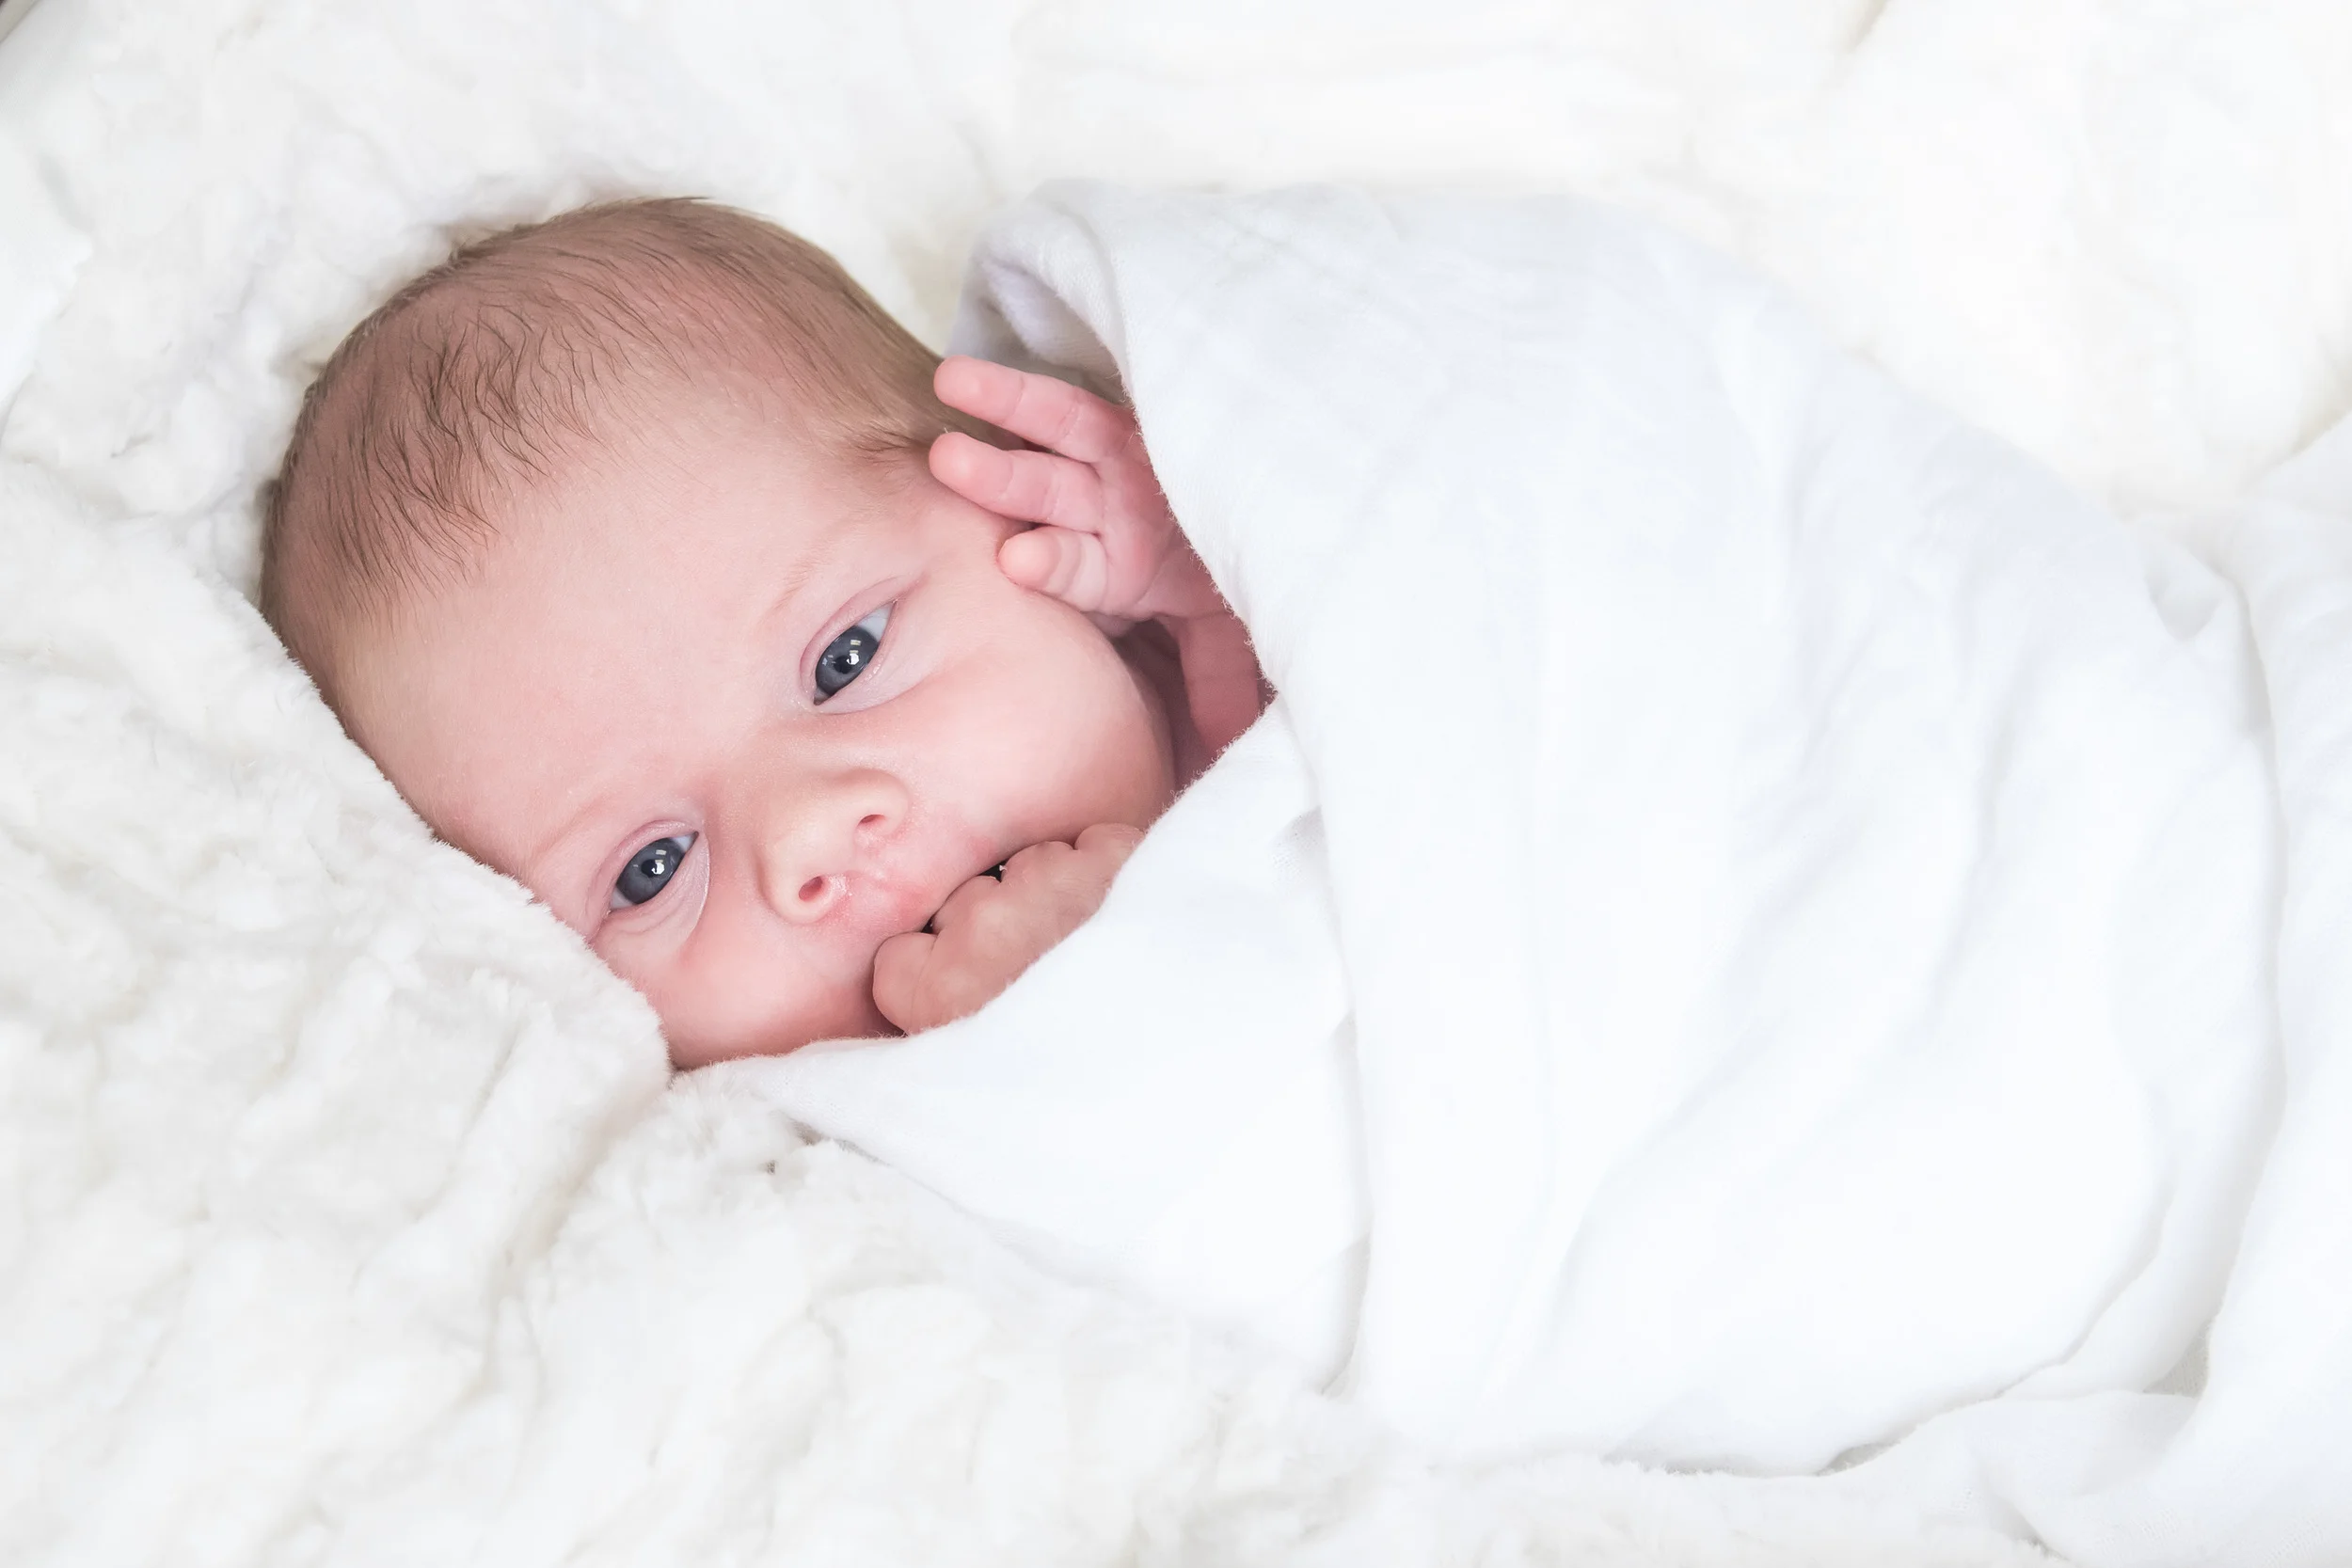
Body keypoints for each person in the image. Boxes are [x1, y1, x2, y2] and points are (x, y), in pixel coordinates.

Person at [260, 197, 1265, 1068]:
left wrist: (1229, 552)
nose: (807, 833)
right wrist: (1078, 1028)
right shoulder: (826, 1164)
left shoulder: (1301, 645)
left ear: (1026, 495)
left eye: (846, 659)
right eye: (650, 867)